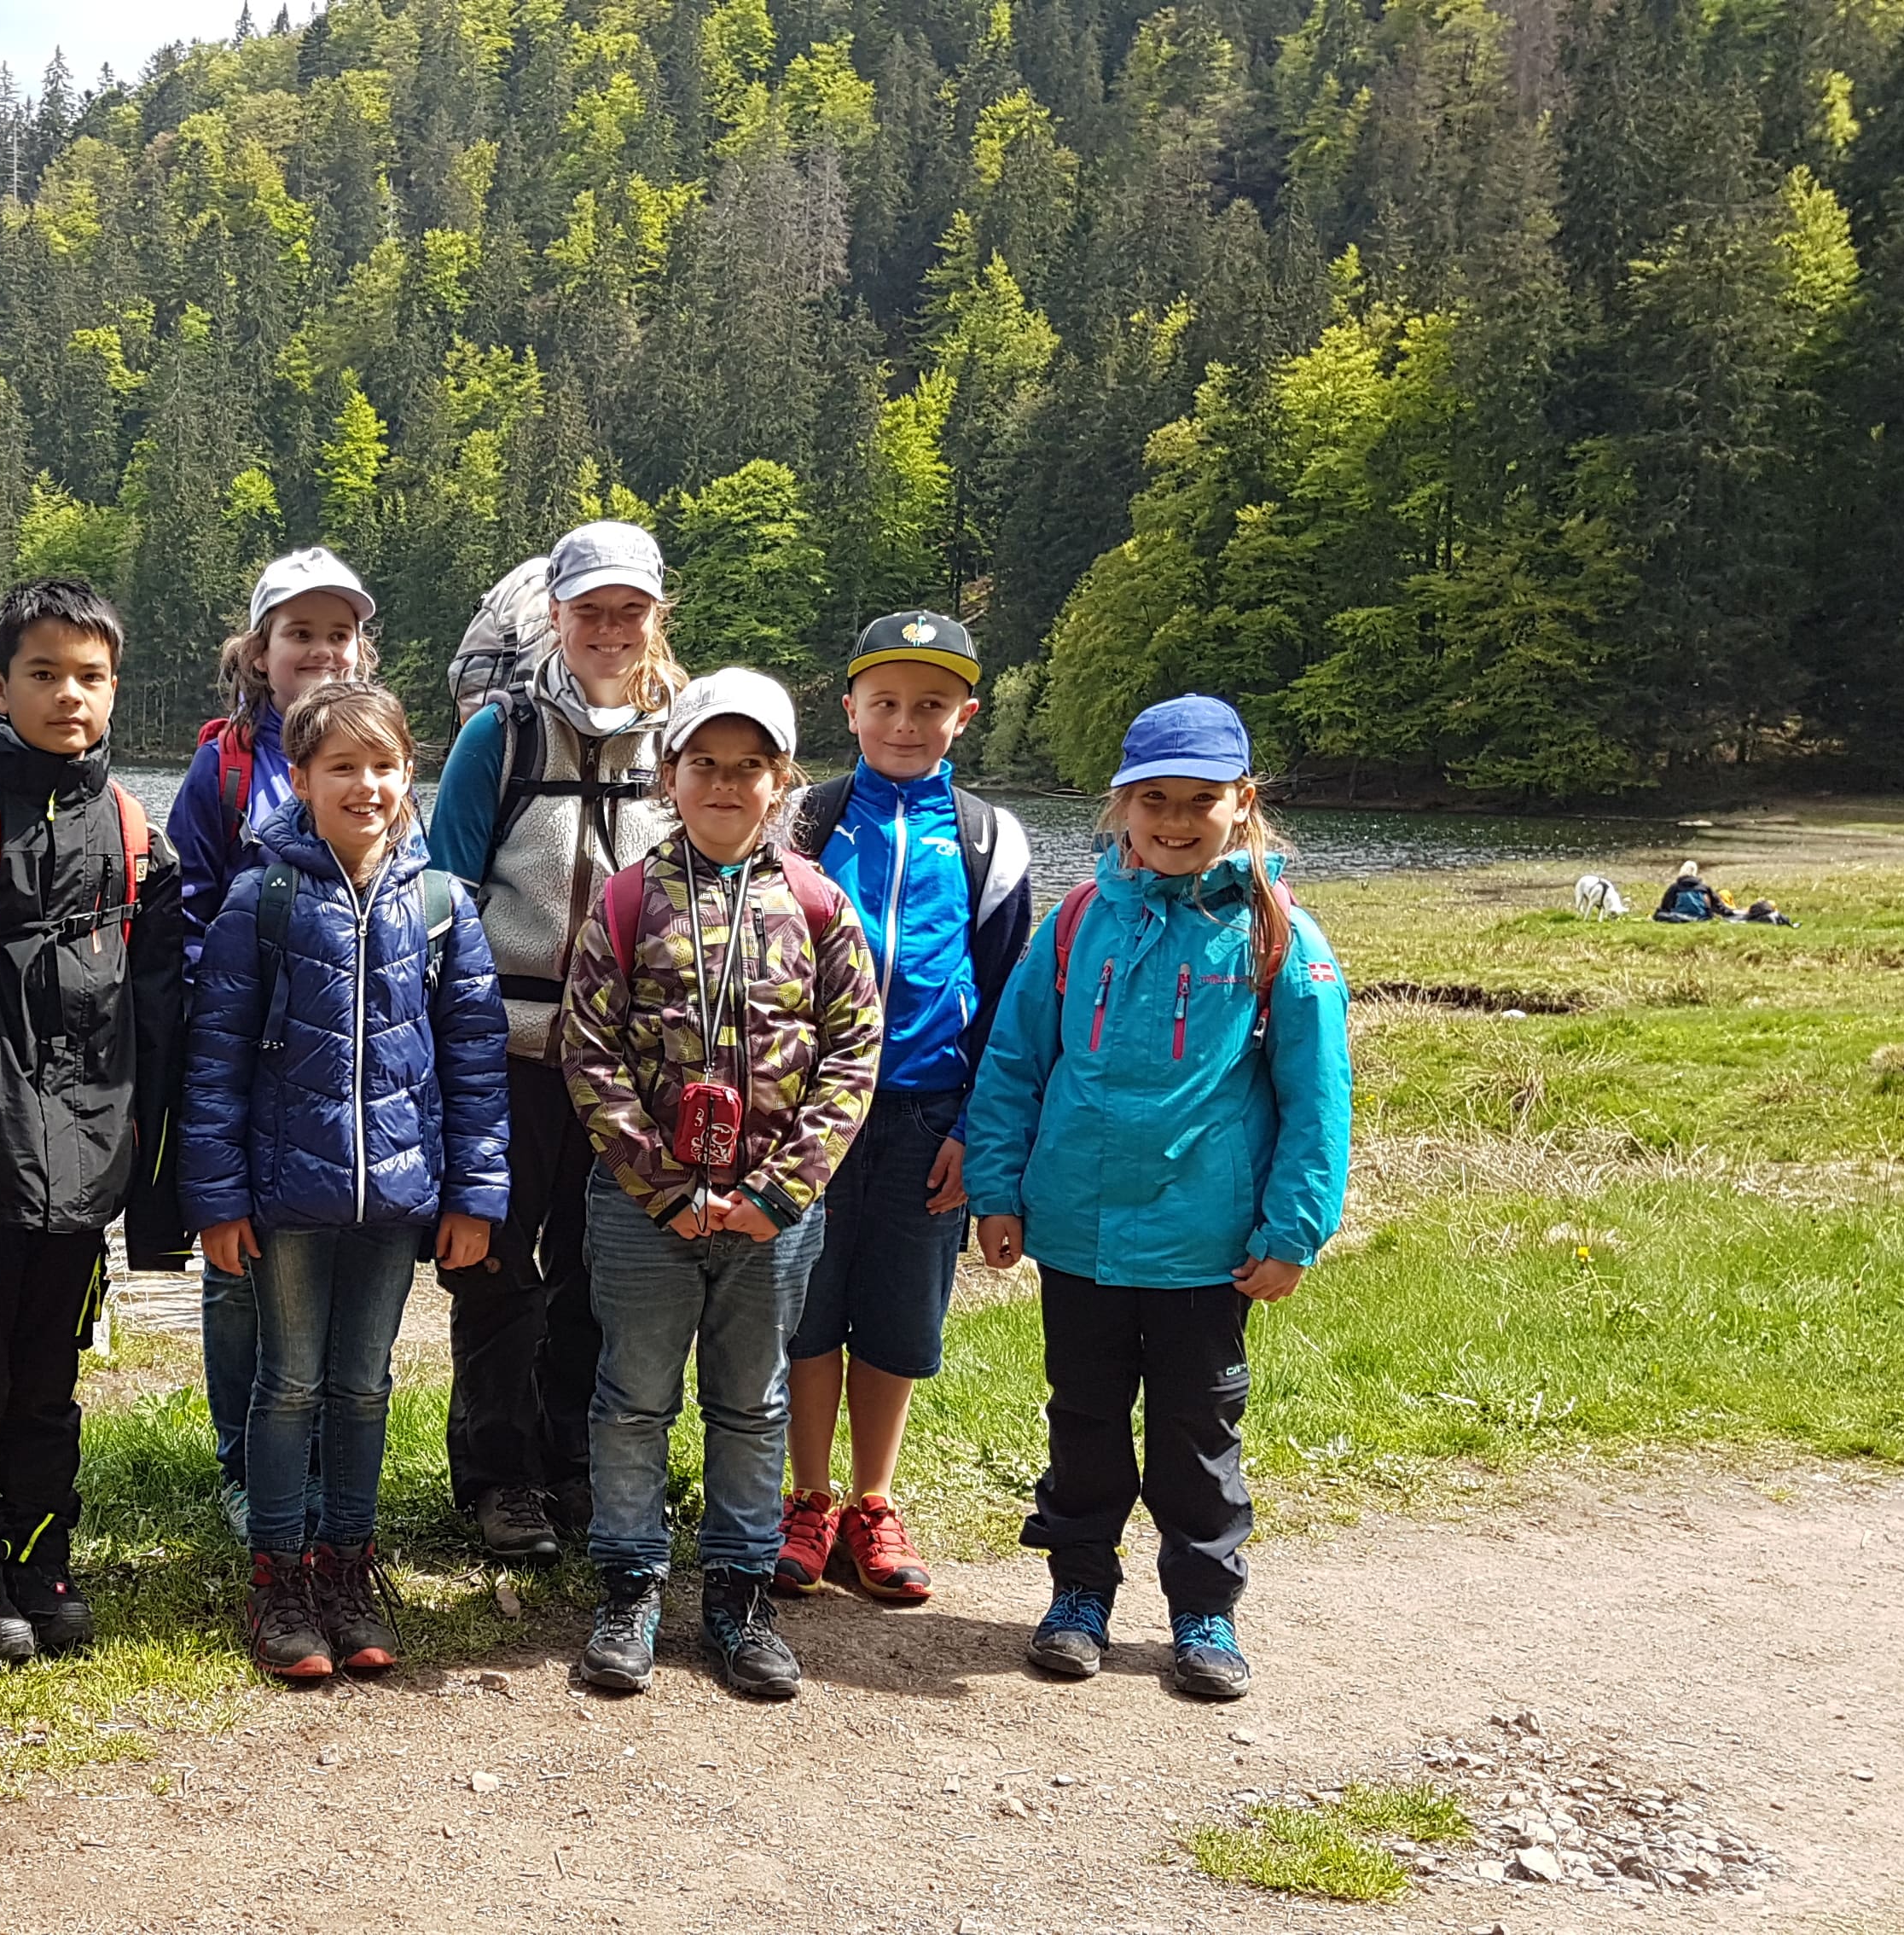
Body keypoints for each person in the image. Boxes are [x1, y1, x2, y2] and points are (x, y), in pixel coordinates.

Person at [962, 694, 1354, 1702]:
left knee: (1197, 1436)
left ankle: (1204, 1610)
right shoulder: (1076, 924)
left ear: (1243, 803)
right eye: (1155, 801)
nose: (1177, 822)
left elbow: (1317, 1099)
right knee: (1082, 1422)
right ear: (1121, 807)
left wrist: (1293, 1229)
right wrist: (996, 1190)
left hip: (1206, 1245)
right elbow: (1014, 1065)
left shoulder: (1281, 939)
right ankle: (1079, 1593)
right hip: (1080, 1236)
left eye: (1201, 801)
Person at [561, 669, 882, 1700]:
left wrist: (781, 1190)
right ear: (670, 773)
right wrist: (662, 1185)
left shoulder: (821, 905)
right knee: (631, 1401)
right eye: (705, 762)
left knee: (752, 1404)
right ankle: (629, 1583)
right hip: (642, 1210)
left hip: (771, 1218)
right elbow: (589, 1054)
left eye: (750, 767)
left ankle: (739, 1595)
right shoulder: (623, 898)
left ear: (783, 780)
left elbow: (853, 1052)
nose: (726, 783)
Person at [187, 680, 512, 1680]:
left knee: (364, 1386)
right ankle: (280, 1576)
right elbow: (216, 1062)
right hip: (286, 1199)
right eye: (341, 767)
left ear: (409, 774)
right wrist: (218, 1199)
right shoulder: (265, 896)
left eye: (383, 765)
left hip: (398, 1199)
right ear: (302, 779)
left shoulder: (443, 904)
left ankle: (348, 1567)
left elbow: (475, 1062)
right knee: (287, 1386)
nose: (364, 785)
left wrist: (475, 1196)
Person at [0, 579, 186, 1665]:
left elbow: (161, 1034)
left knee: (50, 1387)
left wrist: (150, 1208)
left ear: (115, 690)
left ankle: (42, 1557)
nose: (69, 695)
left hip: (84, 1174)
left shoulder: (136, 839)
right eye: (44, 673)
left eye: (91, 676)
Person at [427, 520, 693, 1563]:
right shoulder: (500, 735)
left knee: (601, 1271)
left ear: (655, 616)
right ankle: (499, 1476)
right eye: (591, 611)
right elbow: (446, 893)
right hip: (510, 1048)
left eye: (630, 611)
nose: (611, 629)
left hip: (627, 1064)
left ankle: (580, 1466)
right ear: (558, 616)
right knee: (493, 1261)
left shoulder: (681, 735)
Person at [771, 613, 1032, 1604]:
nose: (906, 722)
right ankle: (807, 1498)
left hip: (929, 1114)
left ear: (964, 717)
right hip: (811, 1114)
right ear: (850, 710)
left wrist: (977, 1132)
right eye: (886, 702)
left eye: (931, 705)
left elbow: (1009, 999)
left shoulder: (990, 837)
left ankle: (872, 1503)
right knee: (806, 1311)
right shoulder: (807, 819)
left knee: (897, 1317)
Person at [169, 547, 375, 1537]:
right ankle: (241, 1464)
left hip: (340, 1067)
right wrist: (248, 996)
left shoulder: (375, 757)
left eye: (339, 634)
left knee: (324, 1273)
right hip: (247, 1061)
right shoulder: (223, 764)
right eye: (300, 634)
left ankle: (321, 1460)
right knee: (237, 1270)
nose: (322, 652)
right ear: (260, 652)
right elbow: (186, 907)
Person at [1655, 860, 1744, 924]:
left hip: (1679, 917)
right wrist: (1734, 912)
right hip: (1702, 918)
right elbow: (1719, 907)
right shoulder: (1704, 888)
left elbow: (1665, 907)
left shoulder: (1675, 888)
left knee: (1660, 914)